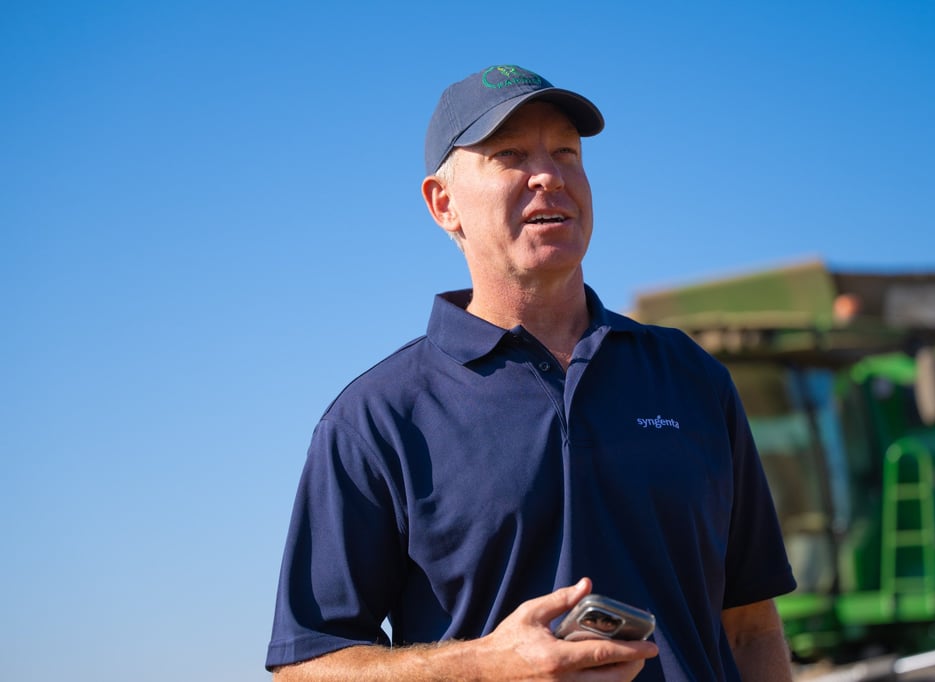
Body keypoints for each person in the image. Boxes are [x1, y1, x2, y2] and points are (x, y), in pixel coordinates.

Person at [266, 64, 797, 681]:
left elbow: (752, 626)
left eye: (566, 152)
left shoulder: (693, 379)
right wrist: (485, 665)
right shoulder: (376, 419)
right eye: (510, 154)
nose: (549, 175)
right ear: (444, 204)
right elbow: (306, 668)